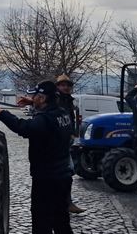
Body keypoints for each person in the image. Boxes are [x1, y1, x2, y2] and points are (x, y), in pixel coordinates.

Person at [0, 81, 74, 234]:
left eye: (35, 96)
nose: (32, 97)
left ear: (43, 98)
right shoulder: (63, 113)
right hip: (63, 175)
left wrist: (1, 113)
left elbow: (24, 128)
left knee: (41, 222)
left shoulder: (46, 120)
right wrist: (33, 102)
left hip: (47, 178)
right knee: (61, 220)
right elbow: (59, 103)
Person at [55, 74, 85, 214]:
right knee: (66, 172)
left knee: (67, 173)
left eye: (68, 85)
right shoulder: (56, 100)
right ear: (58, 86)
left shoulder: (68, 101)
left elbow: (70, 120)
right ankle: (65, 202)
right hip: (58, 143)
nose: (66, 87)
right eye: (63, 85)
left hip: (67, 140)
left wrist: (73, 134)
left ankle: (65, 201)